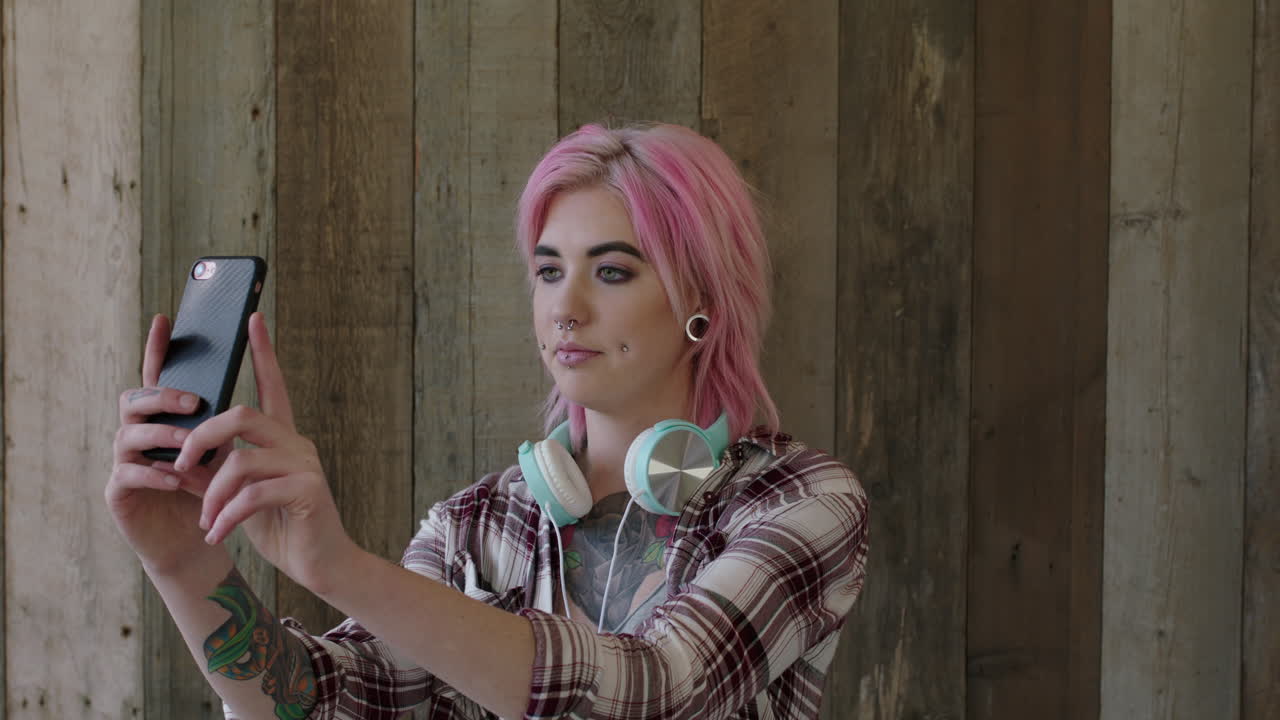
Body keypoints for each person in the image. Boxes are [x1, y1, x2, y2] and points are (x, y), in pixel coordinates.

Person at [108, 122, 870, 719]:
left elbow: (662, 691)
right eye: (547, 271)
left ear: (702, 300)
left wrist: (336, 567)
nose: (564, 309)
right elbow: (334, 702)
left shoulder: (802, 503)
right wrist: (185, 565)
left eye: (611, 271)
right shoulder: (476, 524)